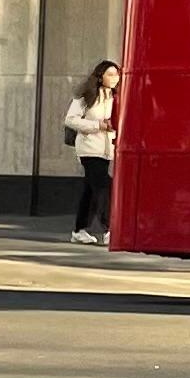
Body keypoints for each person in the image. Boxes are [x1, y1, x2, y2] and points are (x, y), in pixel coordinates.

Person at [63, 62, 120, 245]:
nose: (115, 78)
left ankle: (79, 230)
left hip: (106, 150)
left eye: (117, 74)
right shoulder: (86, 97)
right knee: (104, 187)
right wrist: (98, 126)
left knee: (91, 190)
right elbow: (70, 120)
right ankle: (110, 228)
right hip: (88, 148)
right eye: (110, 74)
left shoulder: (116, 98)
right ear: (100, 75)